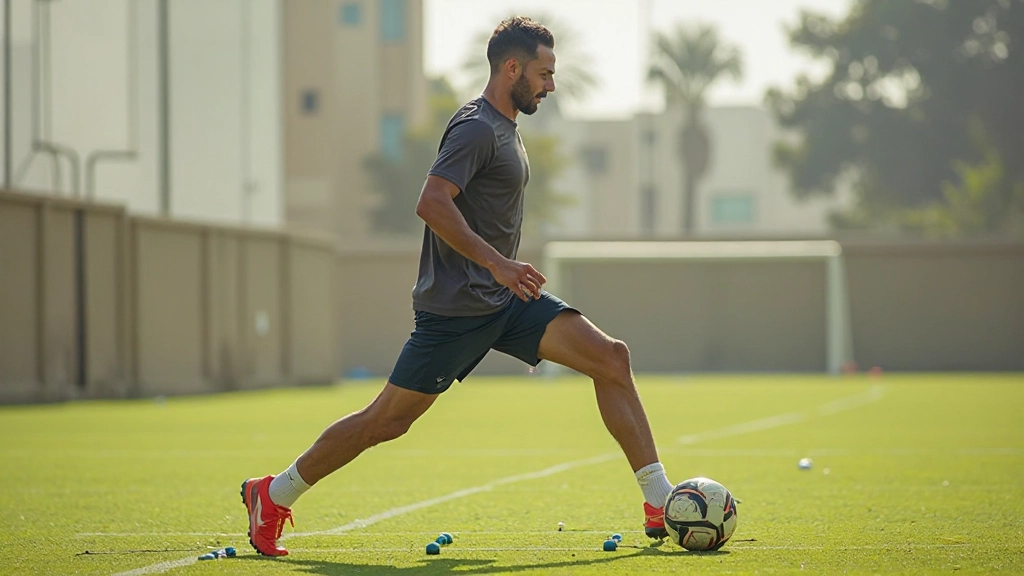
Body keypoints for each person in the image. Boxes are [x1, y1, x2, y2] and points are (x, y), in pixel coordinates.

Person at [240, 16, 674, 557]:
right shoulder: (475, 126)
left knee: (611, 358)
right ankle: (272, 494)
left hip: (505, 299)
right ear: (511, 67)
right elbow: (431, 202)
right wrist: (497, 263)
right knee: (386, 422)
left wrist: (501, 273)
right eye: (544, 73)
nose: (551, 85)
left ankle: (660, 500)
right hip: (457, 310)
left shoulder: (506, 127)